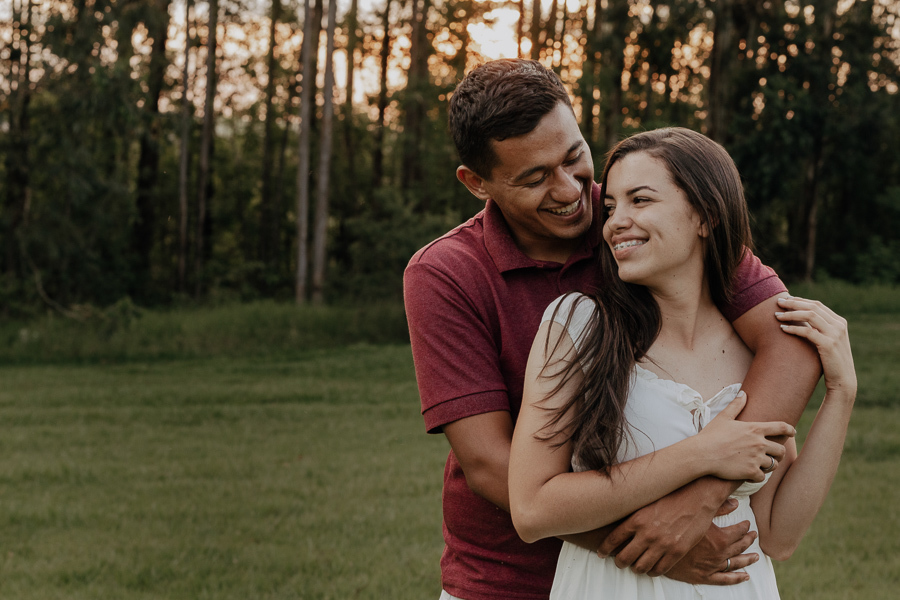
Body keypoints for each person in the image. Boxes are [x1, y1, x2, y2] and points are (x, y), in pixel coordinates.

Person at [403, 59, 821, 600]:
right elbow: (488, 463)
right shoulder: (445, 274)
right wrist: (654, 544)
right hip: (508, 578)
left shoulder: (650, 221)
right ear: (476, 183)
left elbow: (790, 341)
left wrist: (697, 504)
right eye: (534, 178)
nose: (570, 189)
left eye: (574, 157)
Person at [508, 127, 856, 598]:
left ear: (705, 215)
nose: (614, 223)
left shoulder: (758, 353)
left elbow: (778, 533)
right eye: (611, 207)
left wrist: (841, 395)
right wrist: (701, 454)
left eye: (641, 200)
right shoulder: (578, 324)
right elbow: (532, 510)